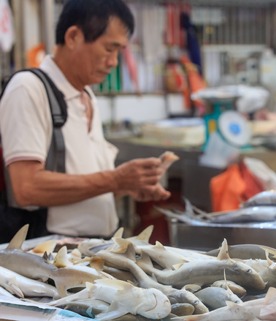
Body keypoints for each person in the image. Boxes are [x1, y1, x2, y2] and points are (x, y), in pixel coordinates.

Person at [0, 0, 171, 240]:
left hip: (91, 249)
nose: (113, 62)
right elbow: (26, 188)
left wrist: (125, 186)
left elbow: (87, 183)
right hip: (48, 258)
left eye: (119, 52)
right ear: (73, 37)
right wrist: (114, 179)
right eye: (109, 49)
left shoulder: (87, 95)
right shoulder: (29, 89)